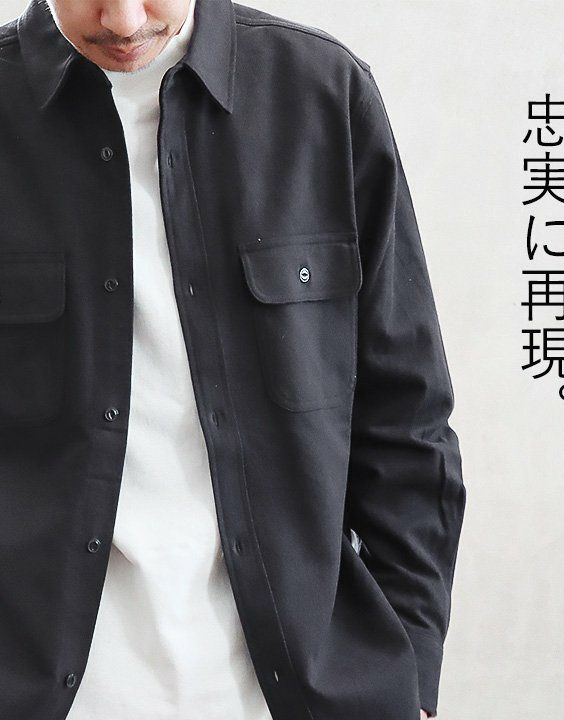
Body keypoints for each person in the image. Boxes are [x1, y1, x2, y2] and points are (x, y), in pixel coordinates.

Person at [0, 0, 466, 718]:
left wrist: (409, 662)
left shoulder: (321, 92)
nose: (123, 21)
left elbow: (406, 413)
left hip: (296, 694)